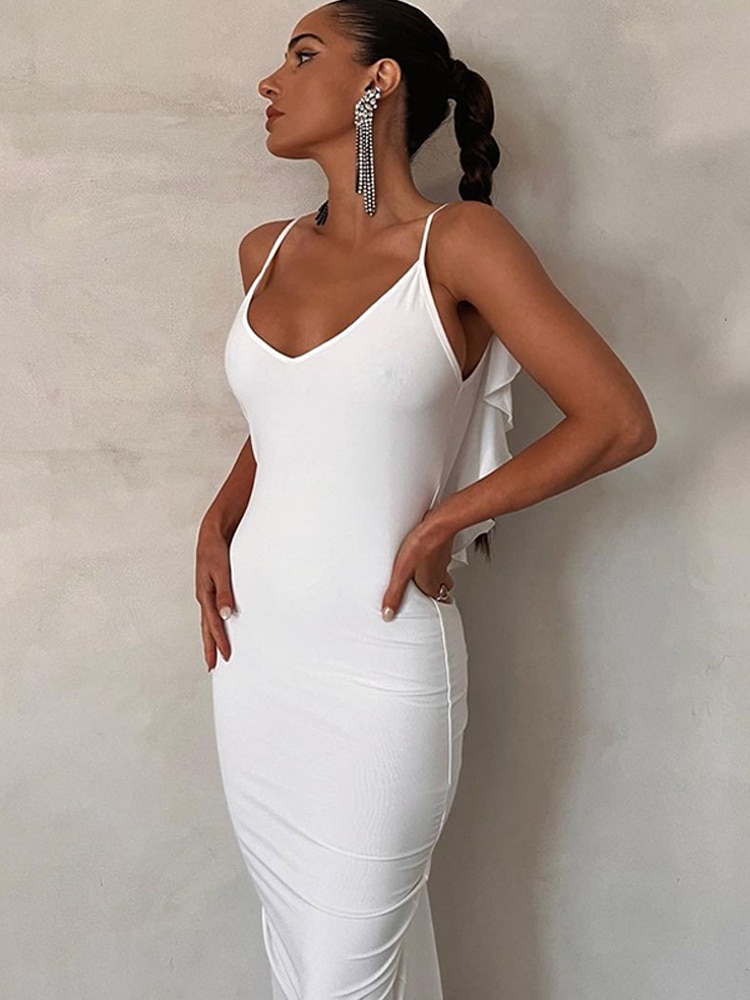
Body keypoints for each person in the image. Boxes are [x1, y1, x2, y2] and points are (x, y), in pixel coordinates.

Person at [195, 2, 657, 996]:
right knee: (302, 957)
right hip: (254, 652)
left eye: (303, 54)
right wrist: (218, 516)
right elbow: (294, 417)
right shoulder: (264, 251)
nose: (270, 81)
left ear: (381, 81)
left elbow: (617, 420)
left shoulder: (460, 242)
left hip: (380, 653)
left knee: (341, 973)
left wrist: (450, 516)